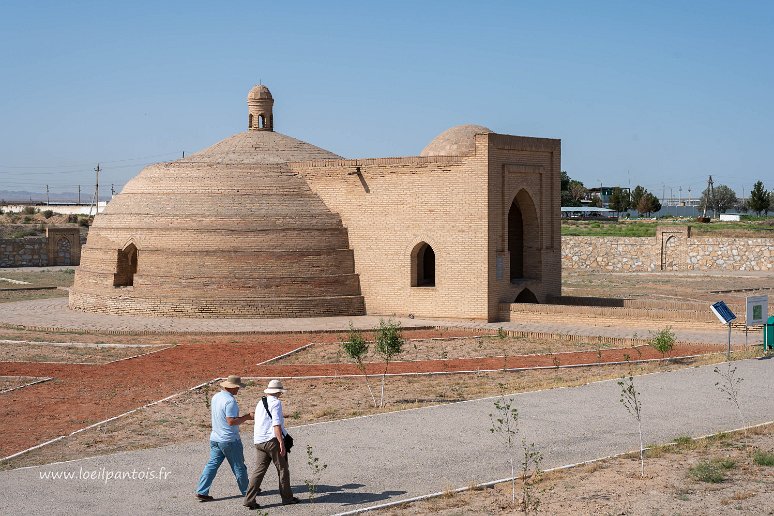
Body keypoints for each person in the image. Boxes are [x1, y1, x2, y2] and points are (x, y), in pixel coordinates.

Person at [195, 375, 253, 502]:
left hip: (216, 438)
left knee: (211, 465)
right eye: (237, 387)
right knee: (239, 466)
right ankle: (247, 491)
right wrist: (247, 417)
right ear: (232, 388)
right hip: (229, 440)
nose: (238, 389)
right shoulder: (230, 401)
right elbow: (231, 421)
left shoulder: (216, 397)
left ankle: (202, 490)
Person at [243, 379, 300, 509]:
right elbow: (276, 425)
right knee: (283, 469)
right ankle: (287, 498)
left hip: (259, 440)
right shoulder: (276, 403)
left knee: (259, 471)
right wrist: (281, 443)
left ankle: (249, 499)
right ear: (278, 392)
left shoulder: (260, 402)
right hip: (271, 441)